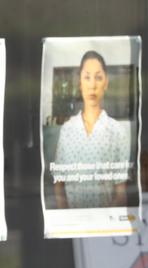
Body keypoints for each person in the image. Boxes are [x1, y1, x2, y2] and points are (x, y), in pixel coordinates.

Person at [52, 50, 130, 209]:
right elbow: (58, 184)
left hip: (103, 227)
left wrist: (103, 221)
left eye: (98, 77)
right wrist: (67, 219)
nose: (92, 85)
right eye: (87, 77)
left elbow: (121, 194)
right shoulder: (67, 130)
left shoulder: (117, 131)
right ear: (80, 83)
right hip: (73, 226)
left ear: (106, 83)